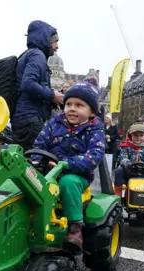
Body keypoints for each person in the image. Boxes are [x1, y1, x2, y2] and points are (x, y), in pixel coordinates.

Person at [31, 79, 104, 252]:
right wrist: (36, 161)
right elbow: (39, 145)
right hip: (49, 171)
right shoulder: (53, 124)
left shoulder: (94, 130)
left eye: (79, 105)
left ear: (92, 112)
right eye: (69, 104)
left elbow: (94, 156)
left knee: (68, 183)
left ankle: (75, 227)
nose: (72, 108)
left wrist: (66, 164)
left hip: (78, 175)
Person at [11, 20, 63, 151]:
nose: (57, 46)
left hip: (23, 120)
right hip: (30, 121)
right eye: (55, 41)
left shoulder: (30, 55)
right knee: (41, 163)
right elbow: (28, 84)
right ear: (46, 39)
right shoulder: (37, 55)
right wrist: (52, 95)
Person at [113, 122, 144, 196]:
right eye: (135, 135)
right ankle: (118, 194)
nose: (138, 138)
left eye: (141, 135)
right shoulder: (126, 147)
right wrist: (128, 163)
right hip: (128, 171)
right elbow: (123, 157)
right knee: (118, 171)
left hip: (143, 172)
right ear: (130, 136)